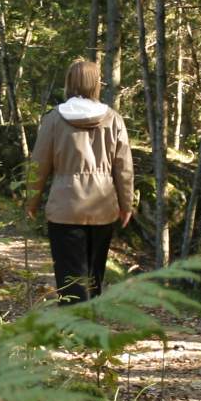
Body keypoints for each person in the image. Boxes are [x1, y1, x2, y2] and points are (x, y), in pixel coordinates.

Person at [25, 57, 134, 304]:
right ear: (95, 83)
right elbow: (124, 168)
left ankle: (75, 329)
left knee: (69, 275)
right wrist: (126, 205)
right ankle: (90, 325)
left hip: (65, 207)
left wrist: (31, 201)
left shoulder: (54, 119)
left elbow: (38, 165)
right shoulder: (114, 119)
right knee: (94, 274)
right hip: (103, 207)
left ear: (69, 82)